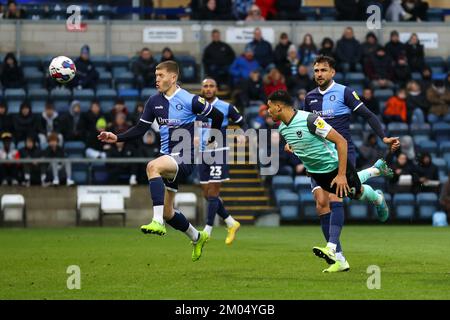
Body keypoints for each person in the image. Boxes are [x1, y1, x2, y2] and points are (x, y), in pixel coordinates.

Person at [98, 61, 224, 262]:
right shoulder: (153, 102)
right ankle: (197, 237)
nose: (157, 79)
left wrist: (211, 140)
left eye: (161, 75)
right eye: (156, 75)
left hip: (184, 159)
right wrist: (117, 137)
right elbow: (140, 129)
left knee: (152, 166)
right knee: (168, 212)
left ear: (173, 78)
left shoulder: (191, 100)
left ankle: (156, 222)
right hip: (169, 157)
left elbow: (217, 115)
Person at [267, 90, 393, 273]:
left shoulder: (310, 120)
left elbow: (341, 142)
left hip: (335, 167)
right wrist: (292, 146)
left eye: (269, 107)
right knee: (354, 194)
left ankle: (332, 248)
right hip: (317, 173)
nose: (267, 111)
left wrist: (341, 175)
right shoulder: (282, 128)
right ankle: (376, 173)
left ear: (278, 106)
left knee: (337, 198)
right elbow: (304, 143)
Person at [302, 55, 400, 272]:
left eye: (323, 70)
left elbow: (369, 115)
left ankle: (331, 248)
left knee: (336, 195)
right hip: (318, 155)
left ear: (332, 72)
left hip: (342, 152)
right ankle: (341, 258)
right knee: (321, 202)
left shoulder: (345, 92)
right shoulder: (309, 98)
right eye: (316, 70)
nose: (319, 74)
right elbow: (305, 125)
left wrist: (383, 137)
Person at [196, 77, 245, 243]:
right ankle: (231, 222)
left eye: (211, 86)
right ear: (202, 89)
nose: (208, 89)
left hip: (219, 151)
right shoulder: (197, 106)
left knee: (214, 192)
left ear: (216, 89)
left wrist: (240, 133)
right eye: (205, 86)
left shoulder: (226, 107)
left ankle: (207, 231)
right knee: (206, 193)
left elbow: (241, 122)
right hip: (202, 153)